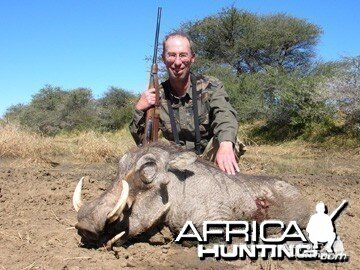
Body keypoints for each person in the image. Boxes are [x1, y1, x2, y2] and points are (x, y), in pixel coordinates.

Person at [129, 32, 245, 175]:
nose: (177, 62)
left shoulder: (211, 85)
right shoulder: (156, 95)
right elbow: (143, 142)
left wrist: (226, 144)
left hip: (209, 160)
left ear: (192, 58)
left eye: (183, 55)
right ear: (163, 59)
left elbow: (225, 114)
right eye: (171, 55)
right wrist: (139, 108)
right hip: (175, 162)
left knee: (228, 142)